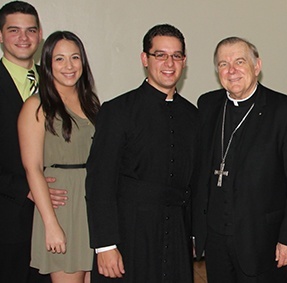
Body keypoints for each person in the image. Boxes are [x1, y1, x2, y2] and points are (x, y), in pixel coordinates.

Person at [0, 2, 65, 282]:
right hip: (9, 220)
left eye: (30, 30)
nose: (23, 37)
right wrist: (28, 189)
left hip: (62, 215)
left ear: (40, 34)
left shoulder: (59, 83)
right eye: (14, 30)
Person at [85, 24, 198, 283]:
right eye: (160, 55)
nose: (169, 63)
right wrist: (105, 245)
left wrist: (192, 235)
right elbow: (99, 180)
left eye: (176, 55)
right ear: (144, 59)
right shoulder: (117, 111)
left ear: (184, 61)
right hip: (129, 232)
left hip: (175, 232)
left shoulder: (192, 116)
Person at [193, 37, 287, 283]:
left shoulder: (285, 111)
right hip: (216, 239)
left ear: (257, 66)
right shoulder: (208, 105)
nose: (231, 70)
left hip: (262, 240)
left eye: (239, 62)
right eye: (223, 64)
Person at [19, 31, 99, 282]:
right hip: (63, 207)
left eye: (75, 58)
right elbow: (32, 168)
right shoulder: (37, 105)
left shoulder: (91, 103)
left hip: (93, 203)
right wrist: (51, 225)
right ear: (48, 63)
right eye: (59, 59)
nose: (69, 66)